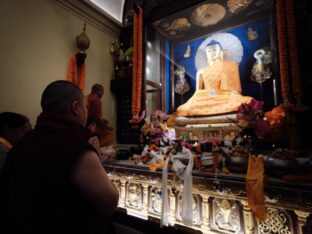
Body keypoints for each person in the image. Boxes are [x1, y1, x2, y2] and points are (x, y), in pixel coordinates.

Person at [0, 80, 119, 234]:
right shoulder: (76, 148)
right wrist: (95, 155)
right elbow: (110, 202)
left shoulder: (20, 146)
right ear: (76, 107)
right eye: (85, 107)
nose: (87, 112)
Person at [176, 42, 252, 116]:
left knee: (246, 102)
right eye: (209, 51)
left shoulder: (231, 65)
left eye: (215, 49)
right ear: (206, 54)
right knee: (188, 107)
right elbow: (198, 92)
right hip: (208, 96)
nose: (212, 52)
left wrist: (220, 94)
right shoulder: (201, 71)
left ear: (221, 51)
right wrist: (212, 94)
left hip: (226, 96)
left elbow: (233, 90)